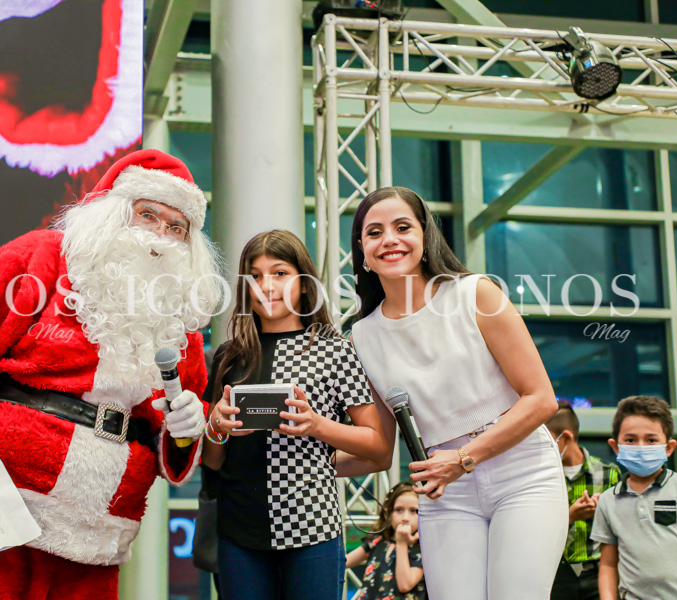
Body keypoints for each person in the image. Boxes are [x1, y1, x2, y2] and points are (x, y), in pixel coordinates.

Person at [0, 149, 224, 600]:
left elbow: (178, 425)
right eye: (147, 214)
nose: (159, 236)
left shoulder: (178, 319)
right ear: (113, 212)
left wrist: (186, 429)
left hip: (97, 526)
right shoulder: (42, 254)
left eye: (176, 227)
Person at [339, 186, 568, 600]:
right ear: (362, 250)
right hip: (445, 491)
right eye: (374, 232)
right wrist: (300, 455)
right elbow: (378, 449)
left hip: (523, 473)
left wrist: (464, 459)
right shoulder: (362, 337)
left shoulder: (476, 293)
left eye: (402, 227)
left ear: (425, 236)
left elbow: (541, 399)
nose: (389, 239)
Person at [203, 229, 389, 600]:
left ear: (304, 284)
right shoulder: (229, 355)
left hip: (312, 530)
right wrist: (216, 427)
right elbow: (211, 461)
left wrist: (318, 425)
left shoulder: (334, 351)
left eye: (280, 273)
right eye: (254, 276)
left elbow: (379, 447)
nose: (266, 285)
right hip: (238, 531)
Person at [591, 395, 677, 600]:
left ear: (669, 447)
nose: (640, 447)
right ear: (615, 447)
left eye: (651, 440)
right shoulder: (608, 501)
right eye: (630, 440)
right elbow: (609, 565)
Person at [546, 401, 620, 600]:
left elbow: (623, 526)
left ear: (567, 437)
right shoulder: (542, 479)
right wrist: (568, 517)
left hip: (598, 572)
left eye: (547, 440)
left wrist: (604, 510)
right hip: (556, 574)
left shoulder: (608, 473)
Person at [346, 482, 427, 600]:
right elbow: (343, 563)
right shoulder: (377, 541)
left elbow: (405, 585)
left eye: (414, 511)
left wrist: (402, 543)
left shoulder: (422, 549)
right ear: (388, 513)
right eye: (399, 510)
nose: (405, 518)